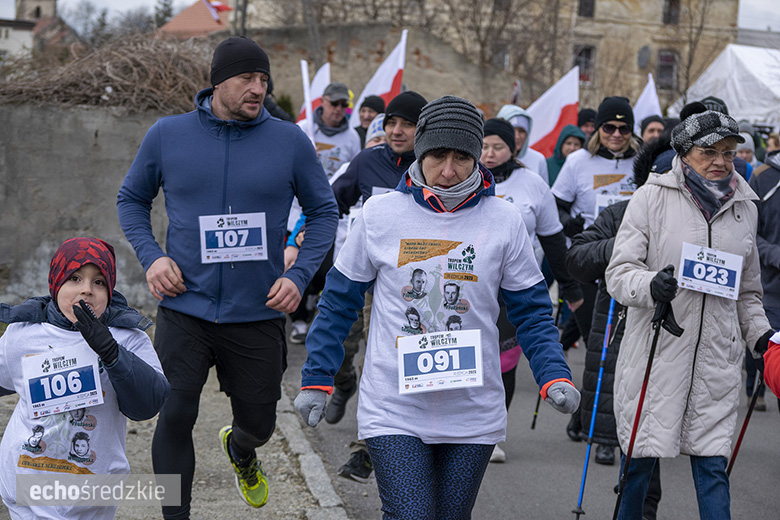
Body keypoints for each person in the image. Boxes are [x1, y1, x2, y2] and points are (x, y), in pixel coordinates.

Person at [294, 95, 580, 520]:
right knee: (411, 514)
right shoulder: (380, 214)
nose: (448, 171)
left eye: (462, 157)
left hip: (472, 409)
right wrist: (317, 376)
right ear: (419, 151)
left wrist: (553, 372)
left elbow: (533, 312)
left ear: (478, 155)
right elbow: (338, 303)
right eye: (437, 156)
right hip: (394, 405)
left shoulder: (504, 220)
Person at [116, 36, 338, 517]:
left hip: (257, 310)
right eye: (247, 79)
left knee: (259, 423)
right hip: (184, 306)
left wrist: (299, 275)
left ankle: (241, 449)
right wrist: (152, 257)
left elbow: (324, 212)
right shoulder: (167, 135)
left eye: (264, 80)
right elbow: (131, 199)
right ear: (218, 80)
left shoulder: (289, 140)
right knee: (173, 415)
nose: (258, 89)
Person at [605, 109, 774, 520]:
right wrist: (650, 286)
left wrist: (764, 338)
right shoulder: (651, 197)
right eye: (708, 151)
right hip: (657, 353)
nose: (719, 161)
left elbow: (748, 293)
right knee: (641, 463)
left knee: (713, 466)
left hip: (717, 358)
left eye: (728, 153)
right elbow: (619, 273)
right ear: (684, 153)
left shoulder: (745, 208)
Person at [0, 237, 170, 519]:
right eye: (74, 278)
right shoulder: (23, 334)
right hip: (27, 480)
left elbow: (149, 403)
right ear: (55, 283)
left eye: (99, 282)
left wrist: (111, 352)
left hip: (94, 490)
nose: (86, 290)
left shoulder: (130, 338)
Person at [326, 91, 428, 483]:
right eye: (390, 124)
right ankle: (343, 382)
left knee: (378, 362)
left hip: (400, 288)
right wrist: (303, 238)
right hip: (356, 277)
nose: (396, 131)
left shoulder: (430, 168)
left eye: (406, 124)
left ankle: (365, 452)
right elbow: (330, 202)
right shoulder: (368, 161)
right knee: (339, 349)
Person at [565, 133, 667, 515]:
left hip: (673, 344)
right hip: (621, 332)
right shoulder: (619, 214)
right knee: (633, 443)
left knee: (650, 448)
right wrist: (620, 247)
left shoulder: (701, 221)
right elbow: (577, 257)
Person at [481, 117, 584, 462]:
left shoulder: (533, 184)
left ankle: (493, 433)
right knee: (470, 359)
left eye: (498, 146)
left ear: (514, 148)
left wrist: (570, 288)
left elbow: (554, 243)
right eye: (484, 146)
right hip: (469, 286)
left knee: (504, 363)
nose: (490, 154)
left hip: (512, 289)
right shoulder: (467, 180)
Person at [551, 96, 640, 441]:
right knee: (595, 344)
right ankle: (588, 420)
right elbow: (555, 209)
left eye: (623, 128)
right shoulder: (578, 161)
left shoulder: (642, 162)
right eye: (609, 127)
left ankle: (594, 422)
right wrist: (573, 226)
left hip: (632, 263)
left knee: (619, 348)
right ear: (598, 128)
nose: (616, 134)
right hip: (590, 261)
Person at [748, 145, 780, 410]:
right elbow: (747, 234)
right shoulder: (763, 176)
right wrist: (774, 255)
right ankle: (754, 389)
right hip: (771, 293)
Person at [297, 81, 362, 178]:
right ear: (322, 101)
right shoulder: (303, 128)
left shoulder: (353, 137)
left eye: (344, 104)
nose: (339, 109)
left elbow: (356, 172)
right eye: (334, 103)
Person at [495, 104, 550, 184]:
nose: (517, 137)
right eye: (513, 130)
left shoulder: (538, 160)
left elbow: (543, 193)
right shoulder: (489, 157)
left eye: (521, 131)